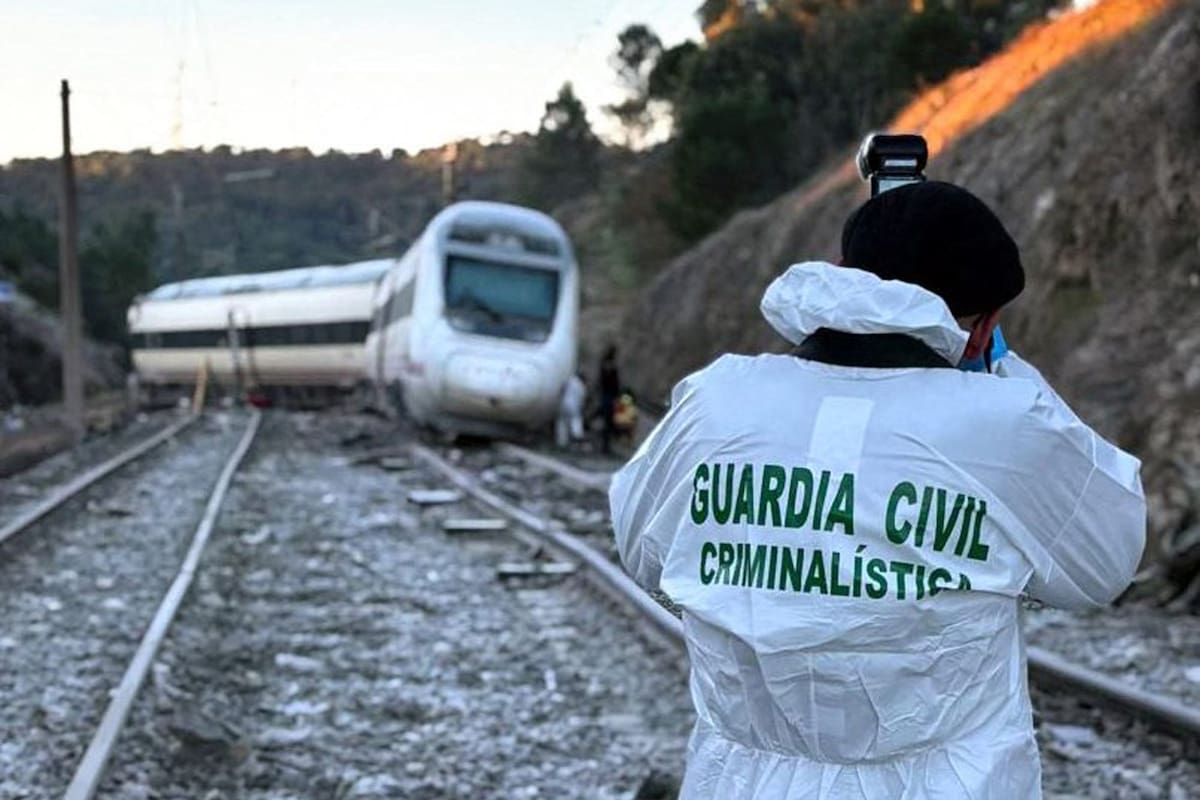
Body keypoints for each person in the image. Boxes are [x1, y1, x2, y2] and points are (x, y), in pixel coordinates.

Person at [609, 181, 1145, 800]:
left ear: (840, 274)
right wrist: (1006, 373)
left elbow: (643, 551)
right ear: (983, 327)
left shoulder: (714, 402)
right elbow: (1107, 561)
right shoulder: (1007, 422)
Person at [597, 344, 621, 453]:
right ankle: (606, 446)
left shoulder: (603, 366)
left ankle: (604, 445)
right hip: (610, 397)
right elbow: (616, 384)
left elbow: (600, 382)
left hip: (604, 396)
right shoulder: (612, 368)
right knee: (609, 422)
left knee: (606, 421)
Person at [556, 372, 586, 449]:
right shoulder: (582, 387)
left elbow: (562, 389)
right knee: (575, 423)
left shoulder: (570, 380)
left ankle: (562, 442)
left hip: (564, 404)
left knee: (562, 423)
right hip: (574, 407)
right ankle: (577, 439)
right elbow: (581, 401)